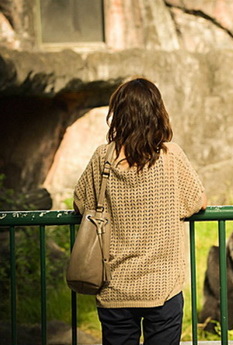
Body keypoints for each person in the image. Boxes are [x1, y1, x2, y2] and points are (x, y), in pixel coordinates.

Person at [73, 78, 207, 345]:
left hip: (114, 287)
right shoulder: (171, 157)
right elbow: (197, 201)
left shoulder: (103, 158)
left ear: (118, 115)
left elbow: (80, 202)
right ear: (157, 113)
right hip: (162, 287)